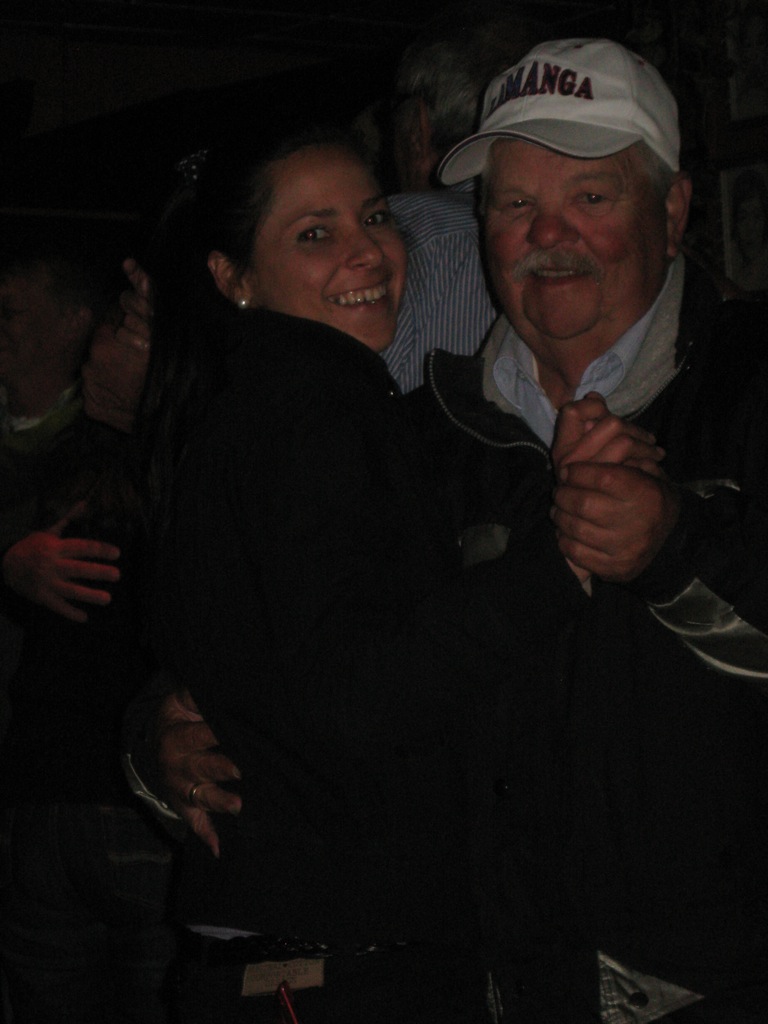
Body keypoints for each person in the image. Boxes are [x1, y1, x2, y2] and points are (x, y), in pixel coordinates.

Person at [126, 123, 664, 1024]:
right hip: (334, 962)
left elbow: (263, 664)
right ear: (233, 277)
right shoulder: (315, 410)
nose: (366, 250)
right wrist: (565, 557)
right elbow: (354, 693)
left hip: (288, 950)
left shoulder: (265, 408)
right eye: (315, 233)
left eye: (375, 216)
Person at [420, 35, 768, 1022]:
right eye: (513, 204)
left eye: (592, 197)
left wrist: (675, 548)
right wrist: (176, 727)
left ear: (674, 211)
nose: (547, 232)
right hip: (495, 980)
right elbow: (361, 663)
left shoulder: (751, 381)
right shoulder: (433, 433)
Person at [0, 248, 177, 1023]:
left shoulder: (196, 462)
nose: (105, 345)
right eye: (115, 321)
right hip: (50, 802)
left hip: (136, 807)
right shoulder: (80, 456)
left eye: (131, 326)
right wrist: (11, 563)